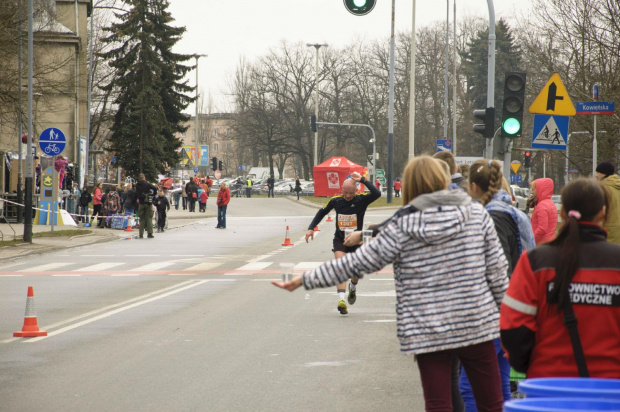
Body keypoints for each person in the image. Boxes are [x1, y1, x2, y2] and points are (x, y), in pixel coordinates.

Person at [275, 156, 508, 412]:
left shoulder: (404, 225)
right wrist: (507, 319)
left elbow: (359, 262)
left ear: (410, 187)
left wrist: (305, 279)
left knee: (439, 402)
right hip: (477, 320)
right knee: (491, 401)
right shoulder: (477, 214)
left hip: (427, 326)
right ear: (443, 181)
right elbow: (497, 274)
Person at [500, 177, 620, 378]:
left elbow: (513, 326)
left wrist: (530, 365)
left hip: (548, 384)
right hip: (611, 389)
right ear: (603, 212)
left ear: (563, 213)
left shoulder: (535, 261)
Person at [460, 160, 536, 411]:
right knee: (500, 382)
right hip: (515, 308)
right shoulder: (518, 215)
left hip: (491, 311)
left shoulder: (490, 217)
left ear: (473, 186)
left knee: (469, 385)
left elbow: (494, 268)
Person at [305, 171, 381, 315]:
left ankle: (352, 287)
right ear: (341, 190)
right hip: (340, 239)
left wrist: (363, 180)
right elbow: (321, 212)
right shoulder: (336, 201)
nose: (347, 196)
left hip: (357, 239)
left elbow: (377, 193)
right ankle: (341, 301)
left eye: (351, 193)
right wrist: (311, 228)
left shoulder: (361, 200)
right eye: (345, 192)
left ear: (356, 190)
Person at [595, 161, 620, 244]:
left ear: (604, 173)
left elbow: (600, 212)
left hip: (608, 230)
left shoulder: (603, 188)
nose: (596, 175)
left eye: (598, 172)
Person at [530, 177, 557, 245]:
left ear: (539, 190)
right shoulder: (550, 203)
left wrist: (531, 239)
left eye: (533, 189)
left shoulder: (541, 206)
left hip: (541, 244)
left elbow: (542, 228)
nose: (531, 192)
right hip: (550, 241)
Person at [136, 173, 157, 238]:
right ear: (144, 177)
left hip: (141, 203)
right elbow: (155, 188)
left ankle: (141, 234)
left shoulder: (137, 185)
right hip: (148, 203)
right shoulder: (147, 184)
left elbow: (137, 193)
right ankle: (149, 233)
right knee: (149, 218)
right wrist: (152, 195)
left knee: (141, 219)